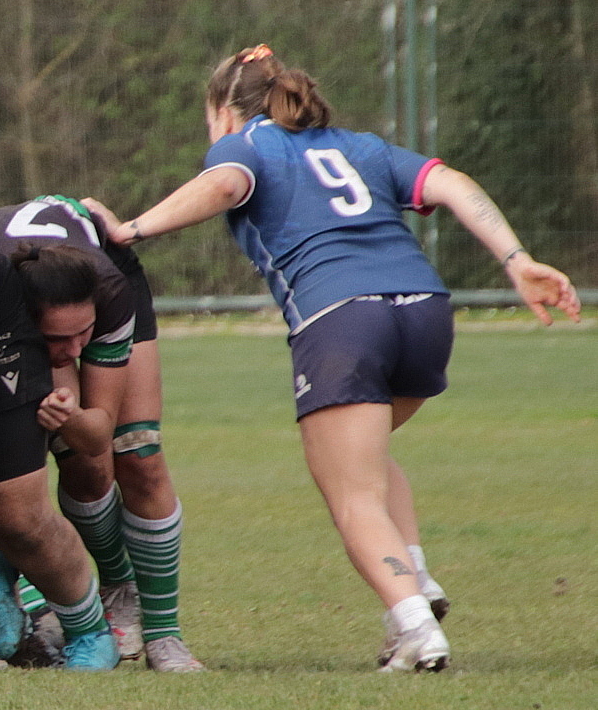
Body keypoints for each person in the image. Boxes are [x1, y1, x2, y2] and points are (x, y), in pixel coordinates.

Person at [100, 44, 580, 673]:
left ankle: (414, 627)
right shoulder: (361, 145)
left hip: (343, 316)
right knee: (369, 459)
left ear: (224, 110)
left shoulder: (244, 145)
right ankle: (418, 581)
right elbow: (454, 183)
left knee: (348, 489)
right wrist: (517, 261)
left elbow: (221, 185)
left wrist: (131, 229)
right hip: (426, 309)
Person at [0, 195, 204, 672]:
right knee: (0, 466)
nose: (75, 349)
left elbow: (97, 432)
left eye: (82, 335)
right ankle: (36, 611)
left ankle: (162, 634)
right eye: (59, 341)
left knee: (136, 453)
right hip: (6, 302)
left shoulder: (106, 292)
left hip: (99, 274)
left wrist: (73, 416)